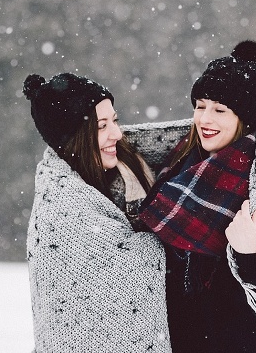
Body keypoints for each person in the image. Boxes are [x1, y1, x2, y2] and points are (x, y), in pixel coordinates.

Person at [138, 41, 256, 353]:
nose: (205, 120)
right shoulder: (173, 168)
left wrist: (249, 255)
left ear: (244, 118)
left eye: (220, 110)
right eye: (200, 106)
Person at [22, 72, 179, 353]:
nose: (117, 133)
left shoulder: (136, 172)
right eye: (101, 126)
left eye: (115, 121)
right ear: (75, 139)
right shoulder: (62, 210)